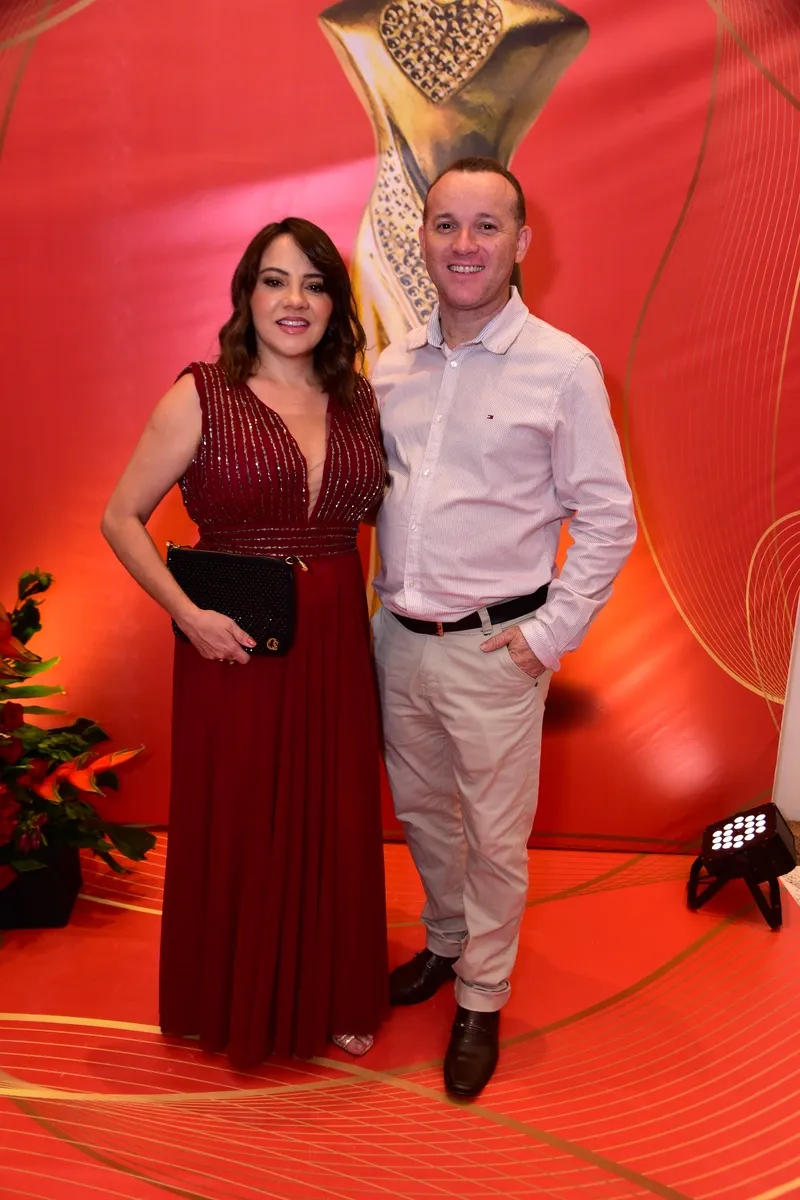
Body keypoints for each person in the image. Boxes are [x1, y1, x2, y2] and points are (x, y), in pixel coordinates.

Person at [371, 157, 636, 1097]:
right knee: (421, 816)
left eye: (487, 226)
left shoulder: (563, 368)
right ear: (422, 239)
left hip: (497, 648)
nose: (465, 244)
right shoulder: (389, 366)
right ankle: (446, 944)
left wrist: (546, 636)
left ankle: (482, 997)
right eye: (446, 224)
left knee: (492, 835)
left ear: (522, 242)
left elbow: (610, 519)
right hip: (398, 639)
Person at [102, 218, 389, 1066]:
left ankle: (335, 990)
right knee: (241, 815)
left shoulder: (359, 398)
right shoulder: (201, 394)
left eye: (314, 283)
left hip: (335, 640)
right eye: (274, 280)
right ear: (247, 295)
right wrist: (188, 614)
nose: (294, 300)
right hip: (232, 642)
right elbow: (120, 517)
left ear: (335, 303)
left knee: (334, 814)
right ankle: (234, 998)